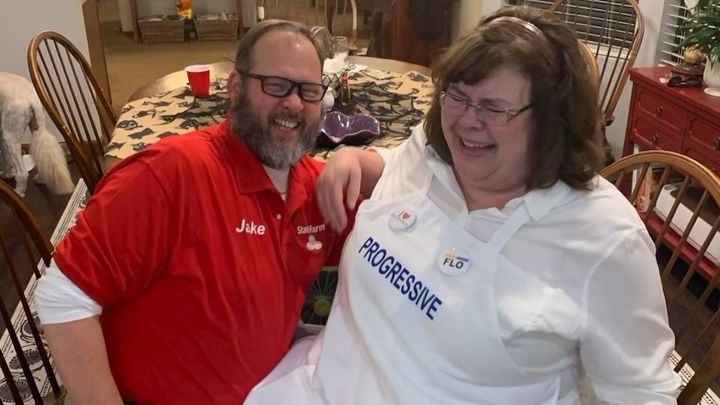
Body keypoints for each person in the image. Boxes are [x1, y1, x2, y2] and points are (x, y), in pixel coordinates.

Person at [242, 6, 682, 405]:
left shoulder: (605, 239)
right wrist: (358, 159)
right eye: (457, 96)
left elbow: (645, 394)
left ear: (553, 120)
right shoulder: (432, 151)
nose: (468, 121)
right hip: (319, 382)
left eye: (493, 107)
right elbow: (401, 166)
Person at [34, 20, 350, 405]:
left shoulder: (318, 186)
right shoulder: (170, 174)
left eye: (309, 90)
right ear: (236, 88)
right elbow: (63, 294)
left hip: (271, 388)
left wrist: (363, 162)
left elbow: (398, 218)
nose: (295, 103)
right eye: (275, 85)